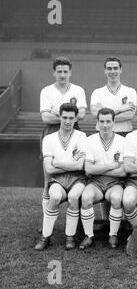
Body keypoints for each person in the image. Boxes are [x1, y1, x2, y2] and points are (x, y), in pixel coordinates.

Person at [39, 56, 87, 222]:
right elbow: (45, 118)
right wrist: (67, 117)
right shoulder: (46, 91)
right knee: (48, 178)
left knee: (76, 172)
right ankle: (46, 219)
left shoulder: (78, 90)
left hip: (74, 132)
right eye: (59, 71)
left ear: (70, 72)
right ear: (54, 73)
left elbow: (81, 115)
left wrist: (57, 113)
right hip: (51, 132)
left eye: (65, 71)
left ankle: (77, 218)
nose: (62, 75)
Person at [35, 103, 87, 251]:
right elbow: (49, 168)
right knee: (55, 197)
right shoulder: (49, 139)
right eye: (65, 117)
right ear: (59, 117)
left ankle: (70, 237)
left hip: (78, 179)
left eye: (71, 118)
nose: (68, 121)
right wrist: (69, 163)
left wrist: (58, 163)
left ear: (76, 118)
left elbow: (80, 166)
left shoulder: (81, 136)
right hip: (57, 179)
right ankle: (45, 237)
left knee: (73, 196)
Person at [78, 108, 126, 250]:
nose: (105, 125)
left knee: (117, 198)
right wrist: (111, 166)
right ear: (97, 123)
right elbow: (89, 169)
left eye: (108, 121)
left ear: (113, 122)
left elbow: (123, 172)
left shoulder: (122, 141)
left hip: (115, 182)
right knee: (86, 197)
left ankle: (113, 235)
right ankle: (89, 235)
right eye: (102, 121)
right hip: (96, 182)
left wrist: (100, 167)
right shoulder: (90, 140)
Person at [90, 57, 137, 137]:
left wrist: (103, 114)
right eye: (109, 68)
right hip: (102, 134)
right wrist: (121, 109)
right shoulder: (97, 92)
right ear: (105, 71)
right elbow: (95, 114)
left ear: (120, 70)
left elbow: (129, 115)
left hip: (124, 133)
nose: (112, 71)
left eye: (115, 68)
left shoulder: (130, 91)